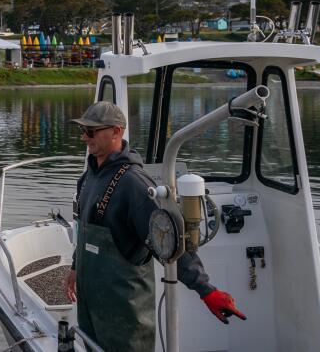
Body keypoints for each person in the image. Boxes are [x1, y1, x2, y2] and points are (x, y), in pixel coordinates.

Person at [63, 101, 244, 352]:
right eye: (83, 131)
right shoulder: (88, 177)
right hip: (91, 303)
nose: (84, 137)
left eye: (91, 131)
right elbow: (85, 229)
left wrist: (206, 290)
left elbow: (168, 241)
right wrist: (75, 267)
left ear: (116, 132)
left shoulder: (134, 183)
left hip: (123, 309)